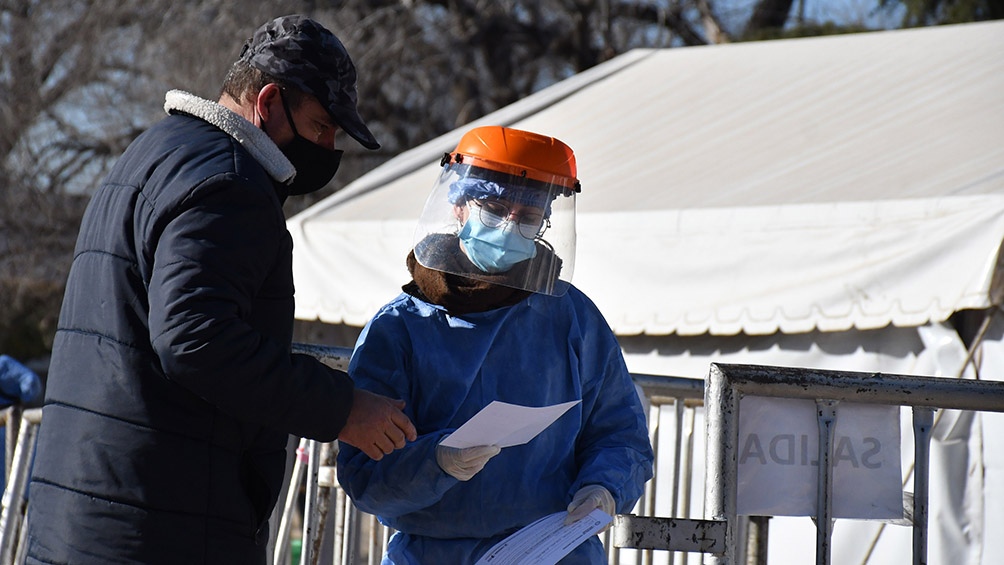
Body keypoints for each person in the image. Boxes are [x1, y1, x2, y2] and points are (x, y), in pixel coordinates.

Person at [23, 15, 416, 565]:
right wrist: (342, 408)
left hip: (85, 508)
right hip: (161, 523)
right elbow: (195, 338)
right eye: (323, 125)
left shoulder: (153, 153)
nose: (329, 147)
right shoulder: (231, 179)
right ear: (270, 101)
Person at [336, 125, 655, 564]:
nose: (509, 226)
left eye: (527, 217)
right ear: (459, 205)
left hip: (552, 550)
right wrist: (436, 462)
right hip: (433, 554)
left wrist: (603, 488)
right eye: (494, 207)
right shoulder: (400, 327)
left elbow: (620, 434)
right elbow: (365, 475)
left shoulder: (571, 317)